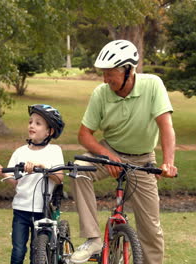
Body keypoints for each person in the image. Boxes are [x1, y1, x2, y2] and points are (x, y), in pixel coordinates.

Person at [70, 40, 178, 264]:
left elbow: (166, 127)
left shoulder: (153, 85)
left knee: (151, 229)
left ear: (129, 70)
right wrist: (106, 155)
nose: (105, 79)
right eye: (104, 73)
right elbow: (84, 135)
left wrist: (168, 162)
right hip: (110, 151)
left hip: (143, 159)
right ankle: (93, 239)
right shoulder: (101, 93)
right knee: (79, 169)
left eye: (110, 74)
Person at [0, 104, 65, 264]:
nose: (32, 125)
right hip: (21, 209)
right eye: (31, 122)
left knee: (37, 250)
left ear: (49, 131)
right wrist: (4, 173)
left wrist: (43, 167)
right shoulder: (20, 152)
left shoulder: (54, 151)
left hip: (42, 210)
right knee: (18, 250)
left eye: (38, 123)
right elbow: (15, 181)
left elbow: (60, 178)